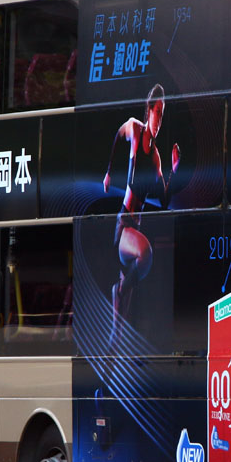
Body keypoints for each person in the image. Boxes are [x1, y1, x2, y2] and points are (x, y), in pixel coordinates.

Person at [102, 83, 179, 342]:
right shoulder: (135, 129)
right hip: (124, 226)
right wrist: (109, 171)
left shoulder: (156, 157)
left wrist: (174, 170)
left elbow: (164, 200)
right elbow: (116, 135)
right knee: (146, 253)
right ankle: (119, 289)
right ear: (149, 110)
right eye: (158, 113)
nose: (159, 121)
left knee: (118, 329)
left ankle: (109, 363)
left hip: (136, 230)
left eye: (163, 115)